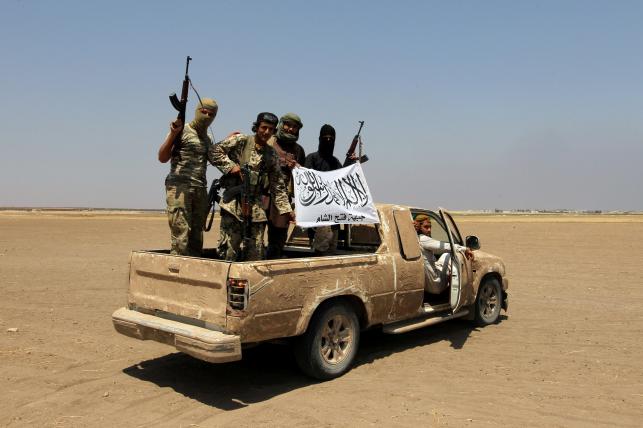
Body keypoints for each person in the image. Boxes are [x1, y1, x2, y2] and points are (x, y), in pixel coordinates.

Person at [212, 112, 293, 261]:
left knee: (255, 252)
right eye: (264, 127)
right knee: (229, 251)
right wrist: (231, 167)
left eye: (271, 129)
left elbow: (278, 186)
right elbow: (214, 151)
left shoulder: (271, 155)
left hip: (255, 207)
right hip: (233, 206)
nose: (266, 132)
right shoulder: (241, 141)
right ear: (256, 127)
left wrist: (287, 210)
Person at [158, 98, 218, 256]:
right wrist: (173, 134)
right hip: (180, 188)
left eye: (211, 114)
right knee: (181, 236)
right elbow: (162, 157)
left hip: (200, 189)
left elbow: (215, 158)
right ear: (197, 111)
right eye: (203, 112)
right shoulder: (182, 130)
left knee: (196, 237)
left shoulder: (207, 138)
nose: (206, 116)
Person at [265, 113, 306, 259]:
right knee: (254, 237)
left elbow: (303, 178)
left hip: (283, 201)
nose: (290, 129)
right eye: (288, 125)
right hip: (262, 195)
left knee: (278, 240)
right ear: (281, 124)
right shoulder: (268, 142)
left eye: (294, 127)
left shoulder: (299, 150)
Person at [304, 124, 343, 255]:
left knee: (331, 250)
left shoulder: (335, 162)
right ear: (319, 139)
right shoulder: (311, 158)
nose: (328, 141)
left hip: (334, 215)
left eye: (331, 138)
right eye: (325, 138)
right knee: (320, 252)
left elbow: (342, 181)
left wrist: (351, 163)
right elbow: (306, 183)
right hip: (317, 213)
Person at [415, 214, 474, 293]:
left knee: (443, 256)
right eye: (426, 227)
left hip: (426, 285)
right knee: (449, 255)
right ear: (419, 227)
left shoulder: (414, 239)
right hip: (436, 284)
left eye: (430, 227)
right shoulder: (423, 239)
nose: (429, 230)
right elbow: (444, 246)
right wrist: (464, 249)